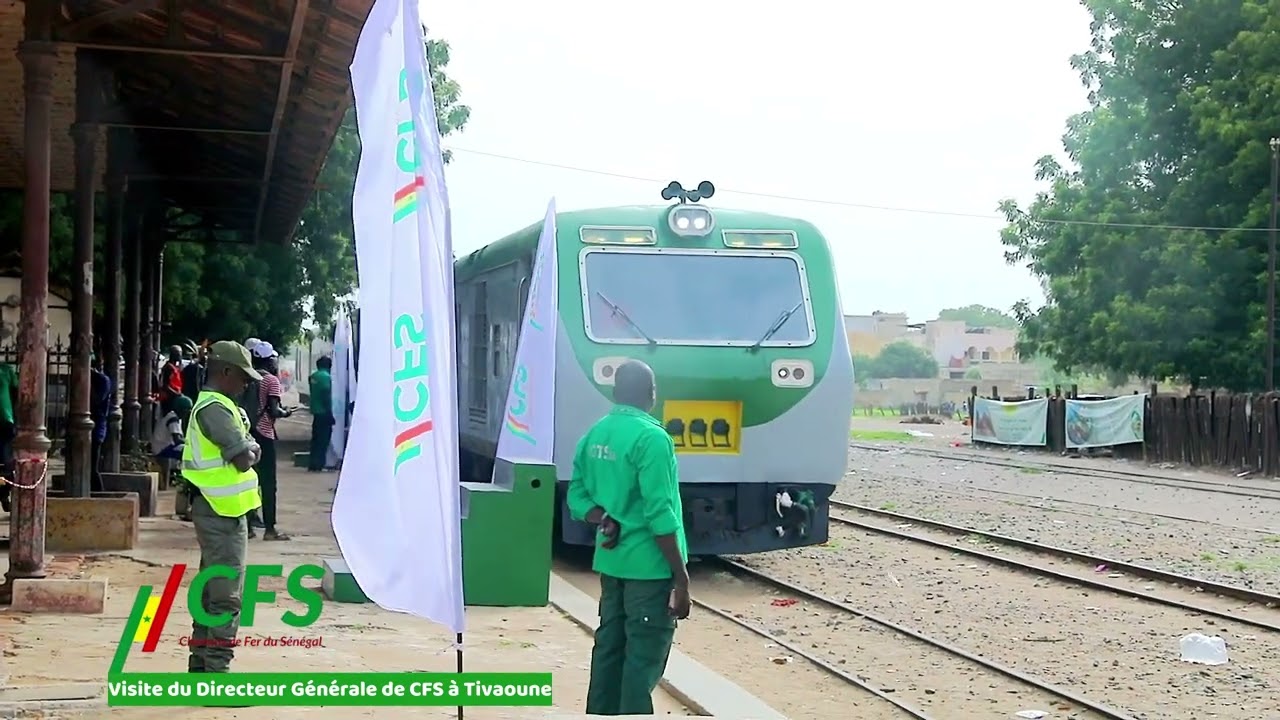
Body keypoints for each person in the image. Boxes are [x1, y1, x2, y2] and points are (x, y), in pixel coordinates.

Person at [566, 359, 690, 716]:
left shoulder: (596, 434)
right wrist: (680, 577)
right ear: (652, 395)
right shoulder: (652, 439)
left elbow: (577, 494)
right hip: (648, 568)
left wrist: (600, 517)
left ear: (615, 392)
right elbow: (660, 513)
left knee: (608, 648)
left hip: (611, 563)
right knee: (641, 659)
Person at [183, 340, 263, 676]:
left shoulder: (215, 405)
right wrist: (252, 446)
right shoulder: (215, 408)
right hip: (222, 512)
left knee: (211, 592)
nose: (245, 385)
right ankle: (217, 675)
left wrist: (248, 443)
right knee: (227, 598)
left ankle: (201, 668)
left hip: (218, 509)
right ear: (226, 372)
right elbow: (244, 458)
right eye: (243, 377)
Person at [250, 342, 293, 541]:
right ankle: (269, 529)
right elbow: (274, 410)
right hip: (264, 433)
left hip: (246, 432)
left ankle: (248, 526)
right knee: (268, 483)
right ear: (269, 360)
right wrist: (285, 413)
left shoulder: (246, 376)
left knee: (249, 481)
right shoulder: (271, 380)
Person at [153, 395, 194, 520]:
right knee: (189, 454)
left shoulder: (175, 417)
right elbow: (177, 440)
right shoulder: (173, 419)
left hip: (165, 446)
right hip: (162, 449)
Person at [89, 354, 112, 493]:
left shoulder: (103, 380)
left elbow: (97, 400)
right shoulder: (98, 379)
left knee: (93, 467)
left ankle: (99, 493)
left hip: (97, 427)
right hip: (93, 425)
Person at [307, 357, 334, 472]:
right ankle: (319, 465)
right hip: (324, 412)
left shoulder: (313, 376)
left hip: (315, 411)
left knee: (315, 439)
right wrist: (329, 413)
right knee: (323, 440)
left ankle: (313, 463)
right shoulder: (326, 377)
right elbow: (326, 395)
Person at [159, 345, 184, 414]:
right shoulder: (168, 368)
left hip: (173, 398)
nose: (180, 356)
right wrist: (177, 394)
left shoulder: (176, 367)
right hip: (168, 399)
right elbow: (165, 385)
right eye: (179, 354)